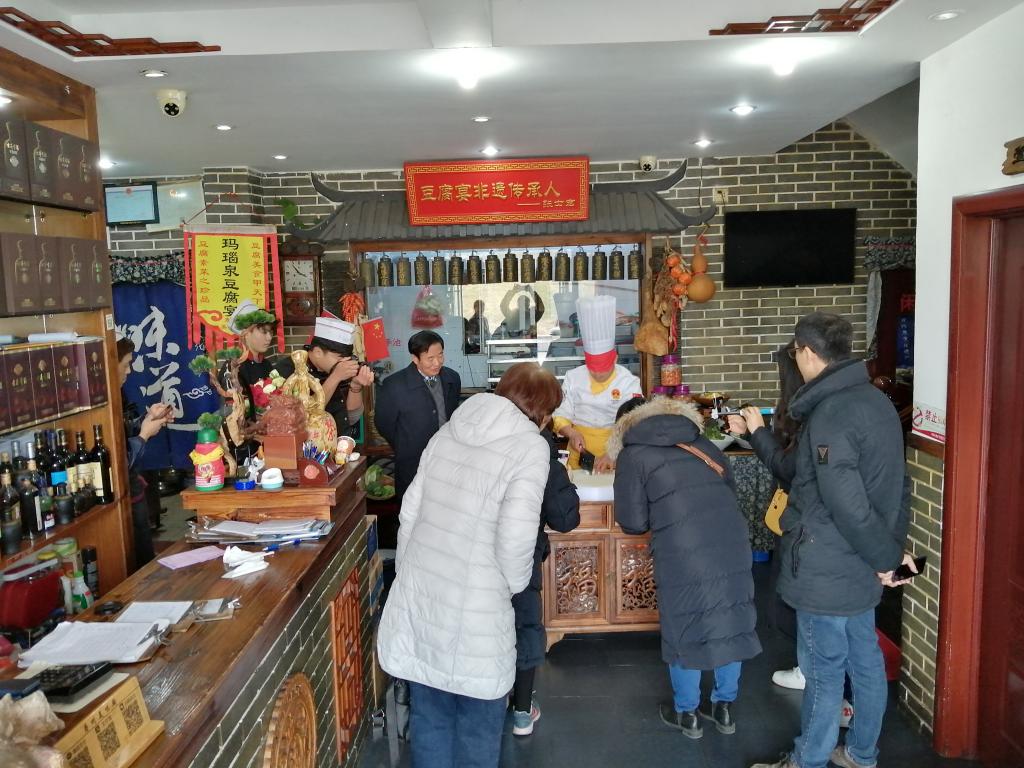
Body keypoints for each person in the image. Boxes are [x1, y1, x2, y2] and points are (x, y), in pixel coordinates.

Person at [376, 363, 562, 768]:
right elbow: (516, 537)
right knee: (479, 720)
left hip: (425, 595)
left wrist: (411, 574)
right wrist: (511, 585)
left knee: (430, 712)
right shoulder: (529, 447)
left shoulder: (449, 430)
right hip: (479, 602)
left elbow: (409, 512)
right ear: (541, 411)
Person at [750, 312, 913, 768]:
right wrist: (888, 553)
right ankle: (861, 753)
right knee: (864, 663)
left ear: (806, 352)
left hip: (827, 564)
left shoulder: (831, 413)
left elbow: (847, 504)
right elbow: (898, 488)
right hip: (859, 563)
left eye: (794, 353)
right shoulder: (875, 401)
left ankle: (809, 760)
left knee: (823, 671)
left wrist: (885, 558)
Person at [608, 395, 761, 740]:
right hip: (730, 539)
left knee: (684, 622)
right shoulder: (700, 441)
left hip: (681, 545)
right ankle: (724, 707)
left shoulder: (633, 454)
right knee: (731, 618)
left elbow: (632, 522)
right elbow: (728, 488)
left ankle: (687, 712)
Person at [728, 340, 854, 729]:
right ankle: (818, 674)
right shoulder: (843, 402)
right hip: (827, 527)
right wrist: (753, 434)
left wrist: (758, 433)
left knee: (799, 604)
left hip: (811, 525)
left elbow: (789, 468)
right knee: (817, 611)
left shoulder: (813, 409)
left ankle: (825, 690)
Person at [510, 421, 580, 736]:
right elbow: (565, 518)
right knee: (524, 625)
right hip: (522, 554)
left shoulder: (478, 441)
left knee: (486, 623)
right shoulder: (540, 452)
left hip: (476, 554)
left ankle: (487, 701)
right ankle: (522, 710)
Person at [552, 296, 642, 472]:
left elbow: (635, 421)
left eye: (604, 368)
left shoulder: (628, 382)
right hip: (579, 453)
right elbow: (560, 414)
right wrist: (571, 433)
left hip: (616, 454)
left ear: (615, 359)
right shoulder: (573, 377)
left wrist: (613, 452)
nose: (599, 374)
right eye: (593, 369)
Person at [374, 330, 461, 498]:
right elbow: (384, 424)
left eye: (440, 355)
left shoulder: (452, 378)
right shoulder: (394, 385)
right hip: (412, 460)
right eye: (430, 358)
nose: (437, 362)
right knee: (412, 504)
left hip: (446, 458)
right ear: (415, 358)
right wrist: (405, 444)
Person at [116, 338, 173, 566]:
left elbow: (125, 430)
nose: (129, 371)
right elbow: (121, 459)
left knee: (144, 553)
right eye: (126, 364)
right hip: (122, 497)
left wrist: (148, 419)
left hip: (134, 490)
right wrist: (144, 434)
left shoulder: (120, 394)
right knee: (136, 558)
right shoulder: (103, 401)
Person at [275, 316, 374, 440]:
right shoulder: (289, 370)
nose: (344, 363)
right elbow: (301, 417)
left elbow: (352, 417)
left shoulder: (333, 368)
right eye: (339, 358)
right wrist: (335, 377)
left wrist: (355, 386)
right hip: (309, 447)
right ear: (318, 352)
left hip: (340, 444)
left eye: (348, 358)